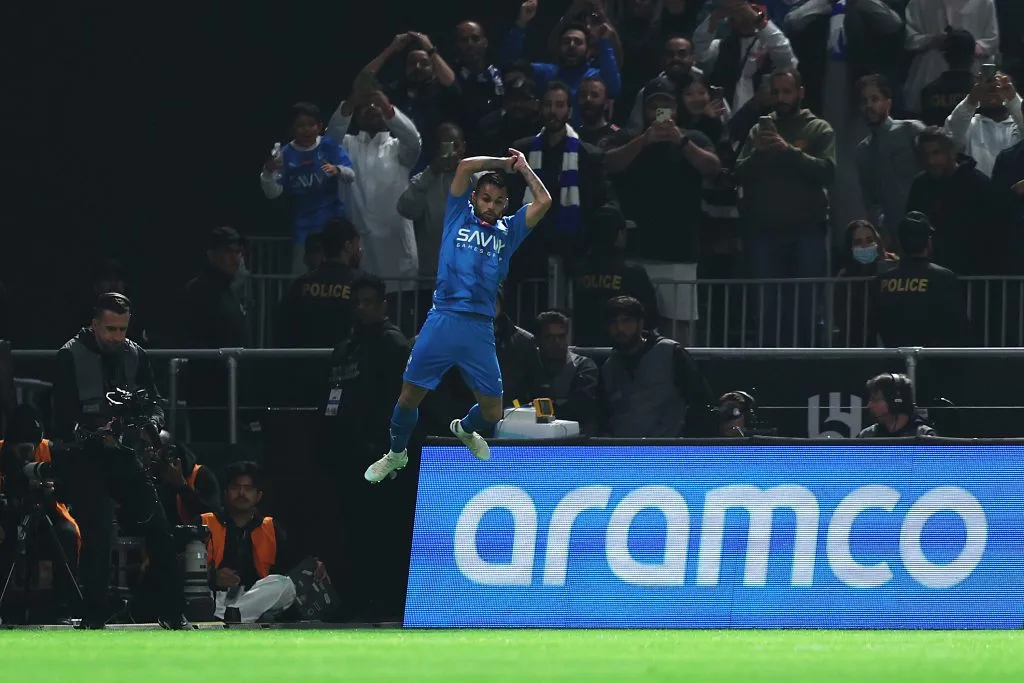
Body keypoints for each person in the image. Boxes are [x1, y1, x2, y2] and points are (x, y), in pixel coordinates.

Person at [363, 148, 553, 483]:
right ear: (475, 199)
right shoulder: (457, 214)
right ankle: (395, 454)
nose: (490, 206)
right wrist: (500, 163)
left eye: (497, 201)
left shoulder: (510, 232)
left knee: (493, 412)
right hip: (442, 320)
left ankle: (464, 429)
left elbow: (545, 200)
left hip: (479, 329)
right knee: (409, 397)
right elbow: (465, 167)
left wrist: (523, 168)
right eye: (486, 198)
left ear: (505, 205)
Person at [52, 293, 187, 629]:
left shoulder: (135, 354)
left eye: (122, 329)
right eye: (110, 328)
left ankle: (172, 612)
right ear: (94, 324)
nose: (117, 336)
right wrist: (94, 432)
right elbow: (62, 417)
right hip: (85, 457)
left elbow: (155, 402)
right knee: (98, 532)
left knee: (158, 526)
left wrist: (151, 426)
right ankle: (94, 616)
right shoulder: (69, 355)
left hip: (124, 454)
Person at [202, 461, 327, 623]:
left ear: (258, 496)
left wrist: (314, 565)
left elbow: (294, 560)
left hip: (256, 599)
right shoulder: (205, 521)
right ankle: (232, 617)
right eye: (235, 487)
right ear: (226, 492)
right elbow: (180, 565)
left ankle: (230, 617)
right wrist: (213, 577)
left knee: (284, 584)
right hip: (215, 598)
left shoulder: (270, 526)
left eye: (248, 489)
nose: (241, 493)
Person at [260, 102, 355, 275]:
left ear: (319, 126)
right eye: (300, 126)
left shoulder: (329, 146)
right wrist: (268, 172)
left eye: (311, 125)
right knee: (302, 279)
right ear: (291, 130)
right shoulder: (285, 154)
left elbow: (351, 175)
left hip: (334, 226)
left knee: (339, 276)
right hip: (303, 230)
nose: (307, 130)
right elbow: (273, 193)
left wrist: (338, 169)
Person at [870, 211, 970, 348]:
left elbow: (873, 326)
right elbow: (958, 327)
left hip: (893, 362)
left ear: (899, 241)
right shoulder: (944, 277)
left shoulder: (882, 281)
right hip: (935, 364)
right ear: (928, 242)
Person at [277, 218, 364, 349]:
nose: (360, 250)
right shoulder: (362, 284)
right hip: (346, 363)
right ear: (348, 246)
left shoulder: (300, 285)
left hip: (304, 363)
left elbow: (283, 328)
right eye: (357, 244)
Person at [857, 373, 937, 438]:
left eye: (875, 399)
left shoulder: (925, 436)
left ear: (895, 402)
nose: (869, 405)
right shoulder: (867, 436)